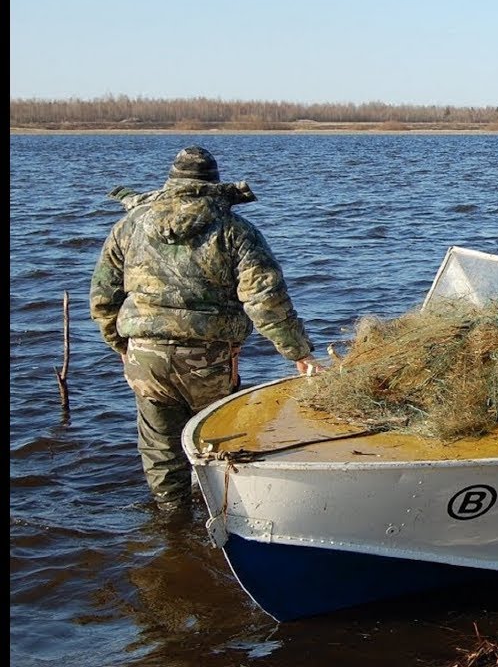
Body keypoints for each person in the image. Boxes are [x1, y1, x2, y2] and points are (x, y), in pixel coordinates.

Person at [90, 146, 323, 512]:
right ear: (214, 182)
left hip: (144, 357)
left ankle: (172, 521)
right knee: (218, 439)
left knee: (160, 448)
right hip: (209, 359)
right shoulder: (235, 232)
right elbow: (266, 301)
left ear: (171, 181)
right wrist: (299, 352)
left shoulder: (129, 226)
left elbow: (103, 297)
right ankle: (227, 516)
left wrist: (121, 345)